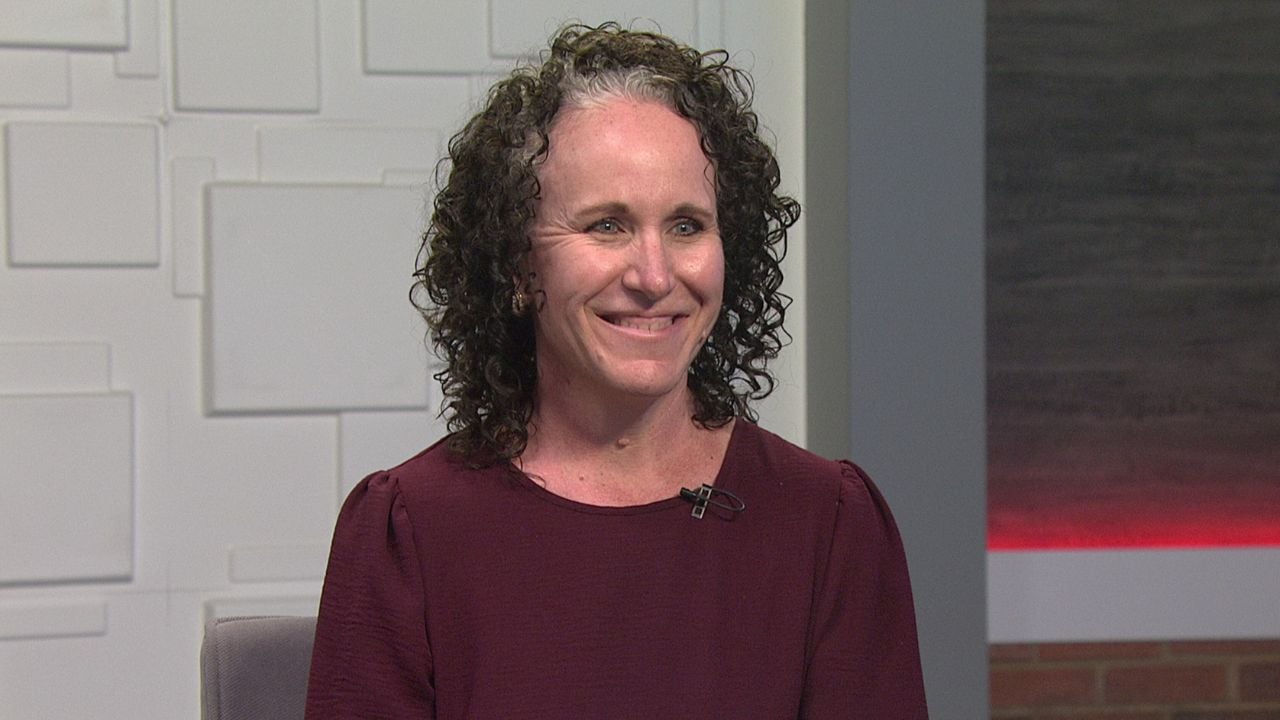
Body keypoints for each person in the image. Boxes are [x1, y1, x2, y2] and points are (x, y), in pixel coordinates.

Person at [305, 22, 927, 719]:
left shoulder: (830, 523)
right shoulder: (408, 532)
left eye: (687, 226)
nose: (654, 276)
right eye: (607, 225)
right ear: (518, 266)